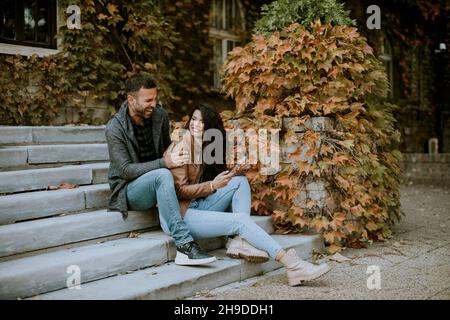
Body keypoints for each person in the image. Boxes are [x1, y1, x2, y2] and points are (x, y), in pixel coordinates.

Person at [167, 103, 331, 286]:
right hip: (181, 215)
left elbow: (208, 183)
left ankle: (240, 241)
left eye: (202, 122)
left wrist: (232, 173)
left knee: (239, 181)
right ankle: (292, 265)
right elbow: (179, 191)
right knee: (240, 220)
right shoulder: (181, 146)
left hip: (198, 204)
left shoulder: (204, 147)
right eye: (194, 119)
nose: (195, 124)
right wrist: (213, 185)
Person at [104, 73, 216, 266]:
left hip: (159, 181)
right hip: (130, 189)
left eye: (155, 98)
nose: (153, 103)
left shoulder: (160, 115)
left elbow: (166, 150)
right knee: (162, 174)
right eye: (148, 100)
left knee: (164, 175)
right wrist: (164, 164)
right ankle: (184, 246)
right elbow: (124, 170)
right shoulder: (115, 128)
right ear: (131, 100)